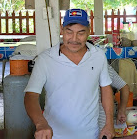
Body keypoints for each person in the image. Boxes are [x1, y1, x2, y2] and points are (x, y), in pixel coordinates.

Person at [24, 9, 114, 139]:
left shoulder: (98, 55)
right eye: (69, 32)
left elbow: (106, 89)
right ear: (62, 30)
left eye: (81, 33)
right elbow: (31, 96)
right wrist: (40, 123)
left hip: (91, 134)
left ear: (89, 31)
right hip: (55, 135)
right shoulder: (45, 59)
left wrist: (109, 123)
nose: (74, 39)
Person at [98, 65, 130, 130]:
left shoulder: (104, 67)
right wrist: (121, 111)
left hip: (102, 124)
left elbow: (124, 87)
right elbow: (124, 87)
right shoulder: (103, 66)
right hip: (104, 125)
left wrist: (121, 110)